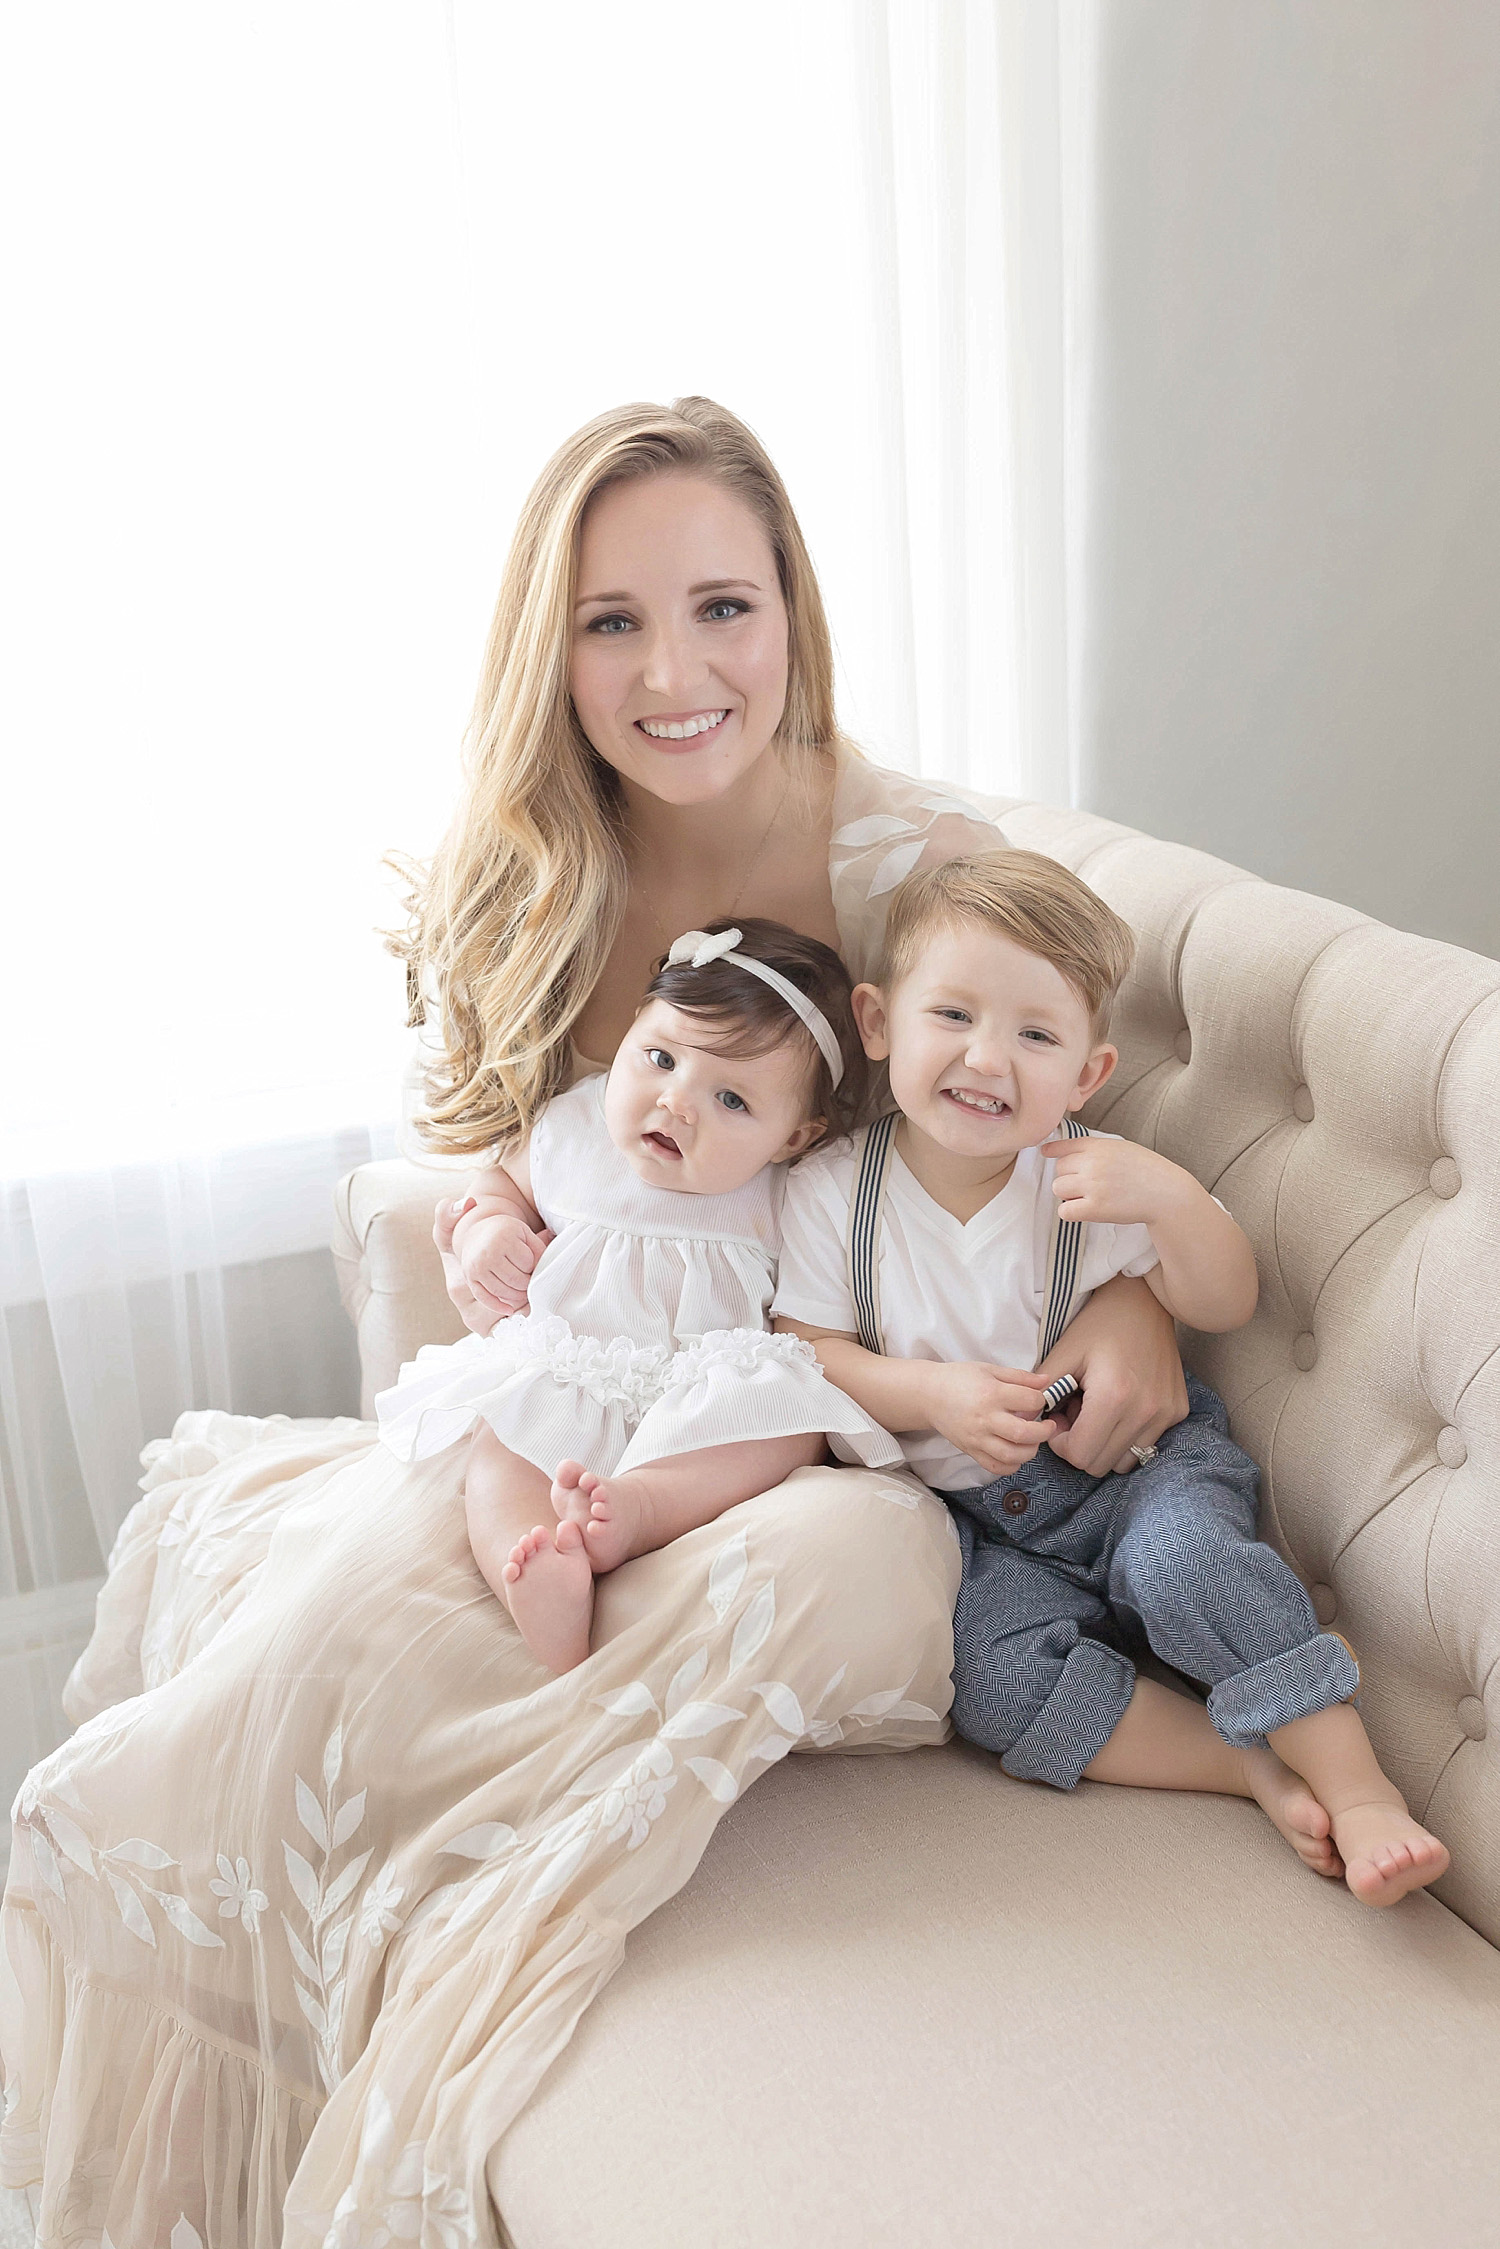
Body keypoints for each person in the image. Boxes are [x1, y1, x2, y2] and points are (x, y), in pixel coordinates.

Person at [0, 398, 1191, 2246]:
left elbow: (1049, 1133)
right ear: (551, 653)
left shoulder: (907, 869)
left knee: (825, 1548)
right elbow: (505, 1143)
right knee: (381, 1594)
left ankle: (507, 1841)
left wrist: (1145, 1322)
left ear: (791, 607)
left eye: (722, 603)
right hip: (589, 1392)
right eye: (613, 621)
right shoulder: (543, 864)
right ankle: (287, 1896)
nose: (675, 669)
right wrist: (485, 1209)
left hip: (815, 1427)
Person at [773, 849, 1451, 1908]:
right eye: (951, 1015)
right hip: (977, 1521)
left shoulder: (1086, 1173)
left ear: (1086, 1072)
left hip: (1135, 1472)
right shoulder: (831, 1192)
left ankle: (1358, 1787)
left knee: (1187, 1562)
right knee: (989, 1676)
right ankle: (1247, 1767)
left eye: (1035, 1034)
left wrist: (1172, 1199)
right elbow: (809, 1350)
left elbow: (1222, 1298)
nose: (987, 1059)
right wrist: (933, 1396)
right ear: (877, 1022)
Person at [377, 919, 900, 1670]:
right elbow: (497, 1188)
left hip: (704, 1390)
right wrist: (486, 1231)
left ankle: (641, 1506)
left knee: (790, 1425)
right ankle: (540, 1571)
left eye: (732, 1099)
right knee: (502, 1454)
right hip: (573, 1374)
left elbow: (839, 1289)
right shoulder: (572, 1128)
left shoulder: (794, 1190)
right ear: (629, 1033)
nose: (677, 1103)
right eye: (660, 1058)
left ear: (794, 1136)